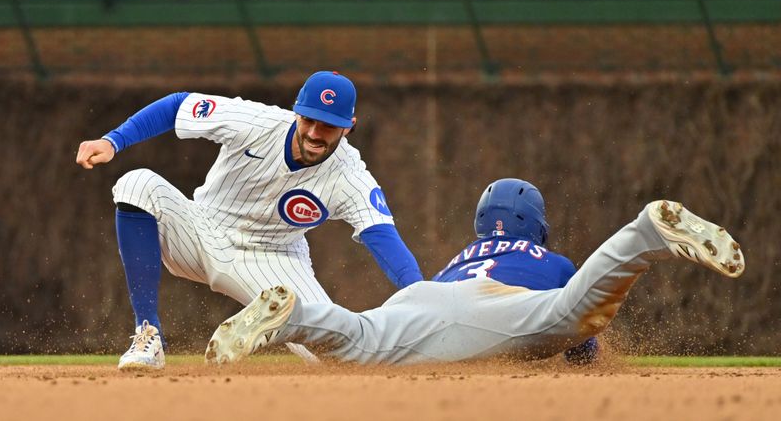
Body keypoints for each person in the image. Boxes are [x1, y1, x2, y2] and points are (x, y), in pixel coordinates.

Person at [75, 71, 423, 369]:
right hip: (200, 230)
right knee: (137, 184)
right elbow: (178, 105)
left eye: (329, 125)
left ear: (349, 127)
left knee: (335, 359)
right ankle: (147, 335)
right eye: (309, 119)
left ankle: (271, 322)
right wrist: (114, 141)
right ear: (296, 111)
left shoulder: (351, 178)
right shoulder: (256, 122)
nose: (316, 132)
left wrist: (423, 298)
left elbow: (384, 239)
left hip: (274, 261)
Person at [203, 178, 745, 366]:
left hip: (422, 298)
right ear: (537, 227)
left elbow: (443, 309)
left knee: (356, 337)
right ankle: (645, 234)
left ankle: (295, 317)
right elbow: (580, 348)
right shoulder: (549, 261)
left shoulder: (458, 257)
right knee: (575, 315)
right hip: (498, 307)